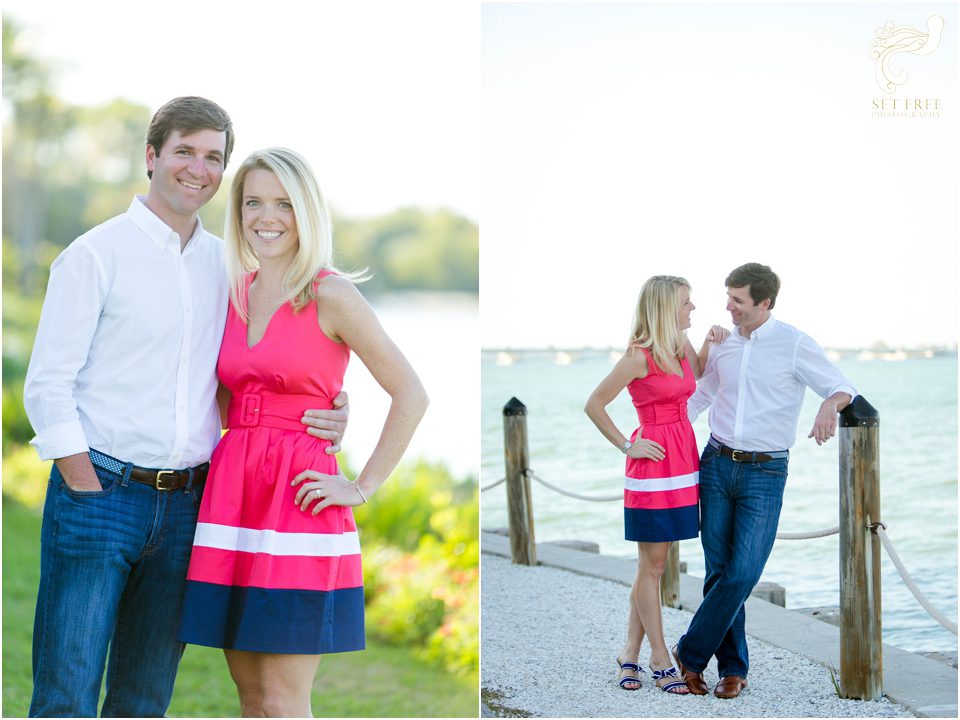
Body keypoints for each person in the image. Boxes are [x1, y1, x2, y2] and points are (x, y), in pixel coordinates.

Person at [22, 97, 348, 718]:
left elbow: (254, 372)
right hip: (100, 494)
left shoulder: (230, 266)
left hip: (189, 508)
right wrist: (84, 484)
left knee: (145, 697)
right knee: (66, 689)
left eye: (213, 158)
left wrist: (331, 407)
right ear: (152, 156)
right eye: (185, 152)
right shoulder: (96, 255)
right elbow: (47, 386)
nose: (198, 169)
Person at [176, 147, 429, 717]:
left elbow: (412, 394)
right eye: (253, 203)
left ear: (307, 212)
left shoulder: (329, 293)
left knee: (286, 698)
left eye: (284, 204)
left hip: (297, 502)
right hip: (233, 496)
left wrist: (361, 485)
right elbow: (223, 397)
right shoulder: (232, 291)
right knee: (251, 697)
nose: (267, 217)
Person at [672, 262, 857, 700]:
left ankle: (689, 652)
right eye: (728, 298)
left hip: (766, 472)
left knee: (743, 572)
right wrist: (665, 430)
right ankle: (733, 670)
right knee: (719, 572)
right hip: (716, 463)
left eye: (738, 300)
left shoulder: (794, 344)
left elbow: (842, 385)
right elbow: (702, 393)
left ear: (764, 302)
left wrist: (830, 405)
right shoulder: (721, 344)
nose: (728, 308)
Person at [584, 275, 726, 694]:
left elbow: (696, 374)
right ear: (666, 307)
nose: (693, 309)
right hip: (654, 462)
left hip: (684, 458)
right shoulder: (637, 357)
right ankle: (660, 659)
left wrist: (709, 343)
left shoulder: (680, 345)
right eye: (686, 302)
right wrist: (628, 445)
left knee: (654, 565)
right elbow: (594, 404)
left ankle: (629, 654)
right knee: (654, 565)